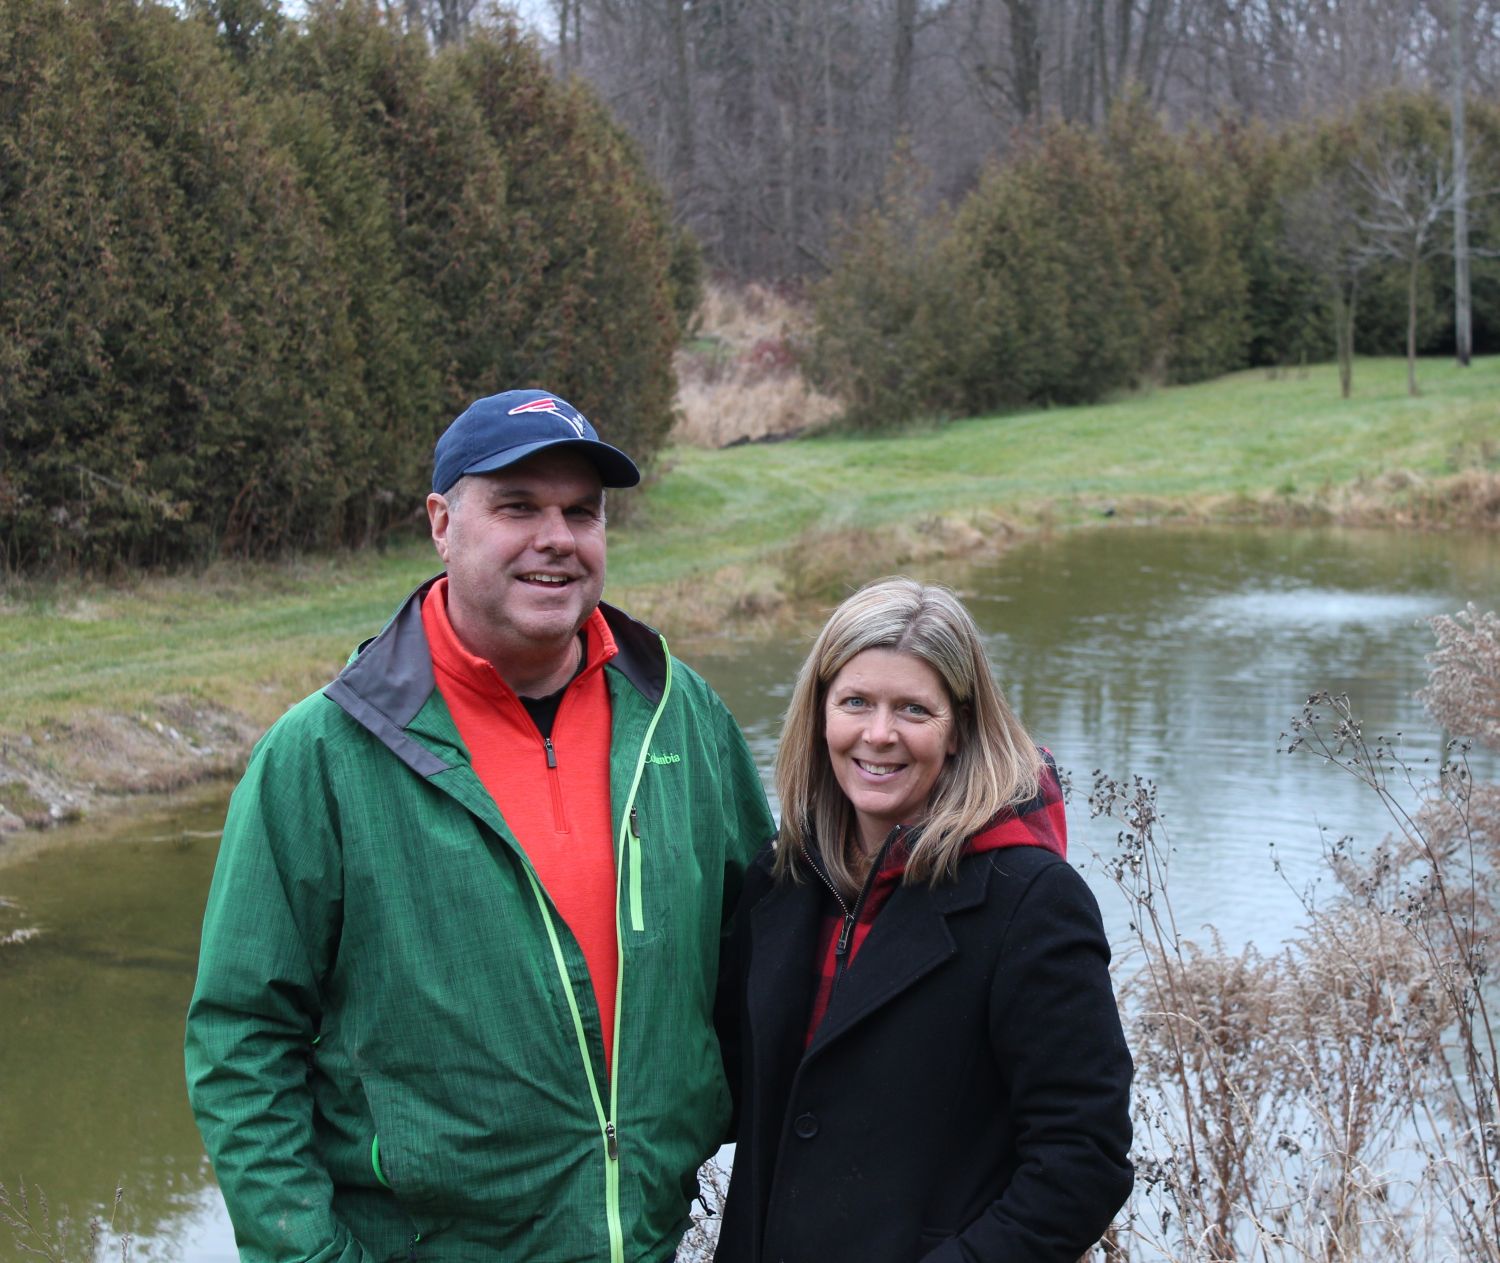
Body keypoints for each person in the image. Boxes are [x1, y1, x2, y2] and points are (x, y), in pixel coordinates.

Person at [185, 389, 775, 1263]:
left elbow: (765, 958)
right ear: (441, 522)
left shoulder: (678, 715)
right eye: (517, 507)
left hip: (647, 1240)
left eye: (582, 511)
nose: (557, 538)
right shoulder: (321, 755)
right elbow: (241, 1041)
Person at [715, 577, 1133, 1263]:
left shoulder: (1030, 900)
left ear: (961, 727)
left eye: (913, 708)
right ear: (820, 713)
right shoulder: (781, 877)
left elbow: (1083, 1157)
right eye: (855, 702)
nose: (879, 734)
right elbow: (720, 1086)